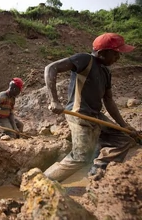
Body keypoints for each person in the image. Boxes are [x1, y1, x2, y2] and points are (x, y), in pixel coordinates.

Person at [43, 33, 138, 182]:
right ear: (101, 53)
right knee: (81, 156)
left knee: (121, 139)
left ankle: (97, 176)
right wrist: (54, 100)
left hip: (95, 115)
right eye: (115, 54)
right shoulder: (85, 60)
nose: (118, 58)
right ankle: (42, 182)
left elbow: (109, 100)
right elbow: (51, 68)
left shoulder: (106, 72)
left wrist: (123, 125)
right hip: (79, 114)